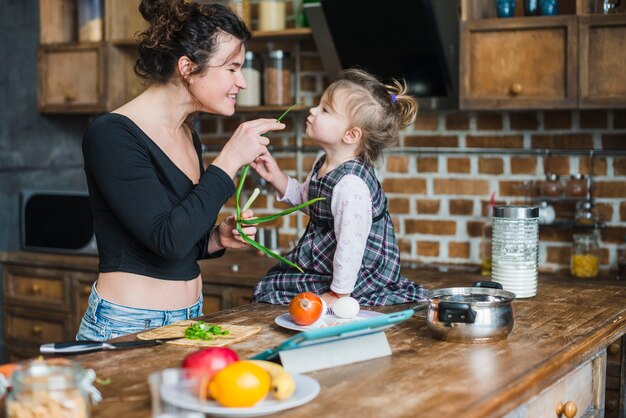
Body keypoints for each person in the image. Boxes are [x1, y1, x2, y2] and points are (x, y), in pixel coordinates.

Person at [76, 0, 285, 341]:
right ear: (187, 67)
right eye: (232, 68)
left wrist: (214, 238)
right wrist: (229, 160)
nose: (242, 82)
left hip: (190, 318)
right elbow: (167, 240)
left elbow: (180, 234)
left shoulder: (188, 134)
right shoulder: (113, 135)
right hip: (127, 324)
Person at [251, 68, 426, 307]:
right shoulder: (324, 162)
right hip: (328, 262)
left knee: (274, 289)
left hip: (357, 273)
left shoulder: (351, 185)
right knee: (273, 284)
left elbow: (350, 246)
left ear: (351, 134)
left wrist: (338, 294)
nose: (313, 110)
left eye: (324, 110)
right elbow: (311, 201)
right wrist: (277, 177)